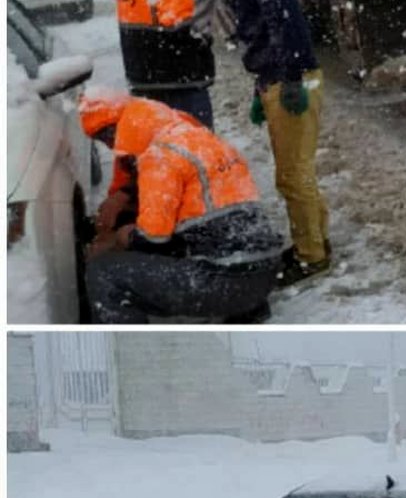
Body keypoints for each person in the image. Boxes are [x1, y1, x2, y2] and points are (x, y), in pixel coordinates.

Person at [156, 0, 330, 287]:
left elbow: (285, 23)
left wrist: (293, 77)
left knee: (293, 176)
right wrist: (261, 85)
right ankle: (315, 243)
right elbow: (261, 35)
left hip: (292, 81)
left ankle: (310, 257)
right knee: (298, 173)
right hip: (278, 79)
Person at [78, 92, 283, 324]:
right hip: (265, 275)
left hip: (227, 283)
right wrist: (125, 196)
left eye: (106, 139)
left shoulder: (158, 156)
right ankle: (248, 309)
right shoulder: (199, 139)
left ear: (119, 131)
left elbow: (152, 239)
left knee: (104, 273)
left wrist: (116, 240)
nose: (111, 147)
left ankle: (130, 347)